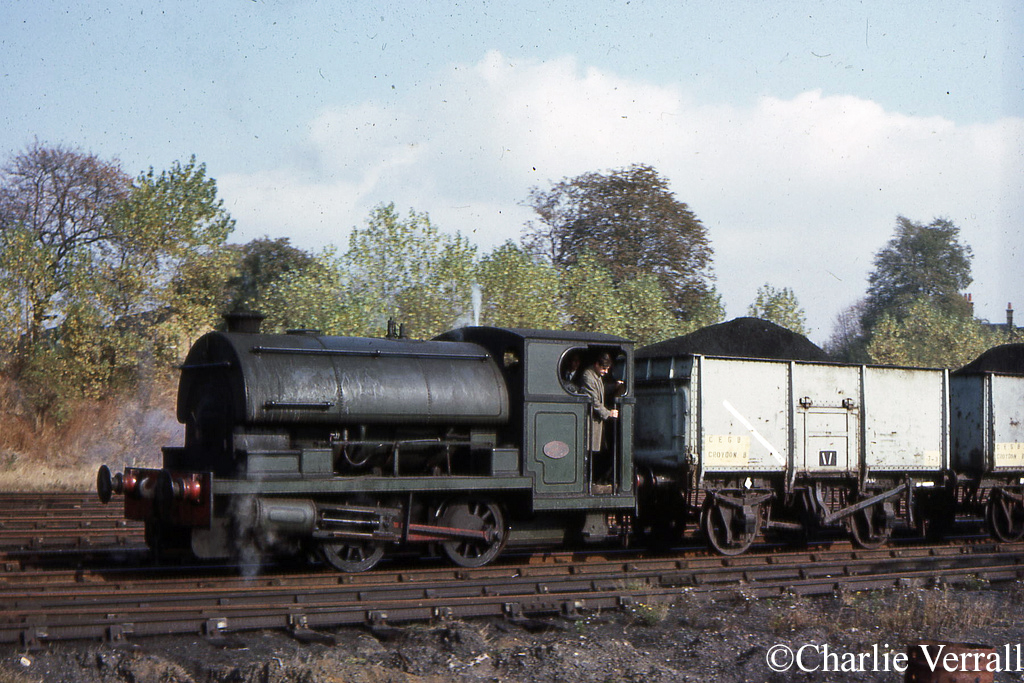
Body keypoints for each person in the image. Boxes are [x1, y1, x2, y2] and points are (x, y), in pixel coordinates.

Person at [579, 352, 619, 454]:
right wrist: (608, 413)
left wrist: (615, 386)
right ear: (597, 364)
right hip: (590, 422)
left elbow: (601, 390)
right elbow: (594, 402)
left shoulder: (596, 375)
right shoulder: (588, 376)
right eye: (604, 368)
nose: (606, 372)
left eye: (607, 369)